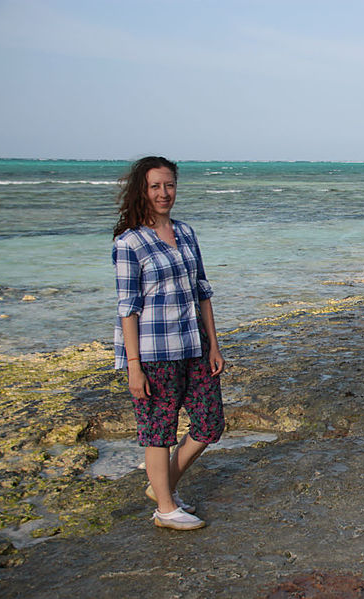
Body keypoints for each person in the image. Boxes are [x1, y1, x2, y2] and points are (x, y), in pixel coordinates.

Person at [112, 156, 225, 531]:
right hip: (153, 351)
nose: (164, 193)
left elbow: (202, 290)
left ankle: (162, 487)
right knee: (159, 430)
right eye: (155, 186)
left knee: (210, 423)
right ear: (142, 191)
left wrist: (213, 344)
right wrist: (133, 366)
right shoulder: (130, 243)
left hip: (194, 343)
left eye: (169, 185)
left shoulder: (187, 232)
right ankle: (165, 508)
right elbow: (128, 308)